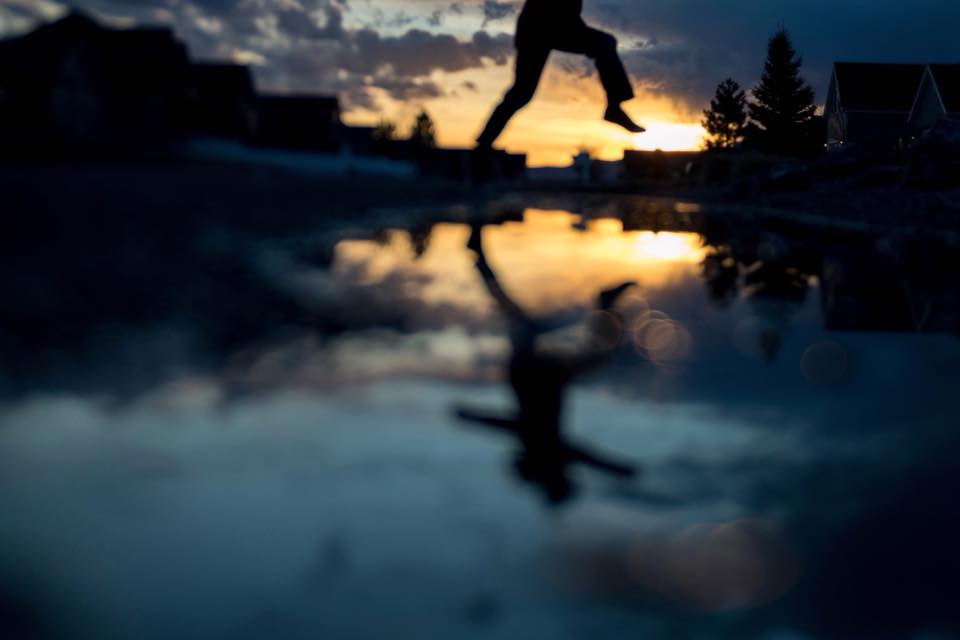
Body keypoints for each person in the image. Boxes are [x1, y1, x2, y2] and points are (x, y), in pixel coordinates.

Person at [454, 223, 638, 504]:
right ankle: (606, 303)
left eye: (563, 479)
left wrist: (472, 417)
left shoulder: (544, 450)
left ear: (555, 479)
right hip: (545, 376)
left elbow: (511, 426)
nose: (566, 473)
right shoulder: (548, 452)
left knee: (518, 317)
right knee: (593, 352)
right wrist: (618, 470)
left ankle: (479, 256)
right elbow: (585, 456)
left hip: (534, 375)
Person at [475, 0, 644, 148]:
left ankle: (615, 107)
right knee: (522, 93)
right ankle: (485, 142)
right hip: (539, 28)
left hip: (554, 27)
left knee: (604, 44)